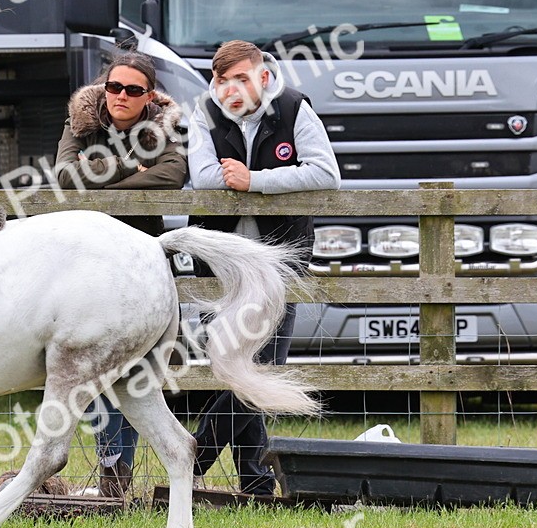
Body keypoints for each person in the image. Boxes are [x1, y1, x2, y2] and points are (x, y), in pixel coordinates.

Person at [186, 40, 341, 495]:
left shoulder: (294, 109)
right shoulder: (204, 114)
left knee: (263, 368)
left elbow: (326, 173)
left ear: (264, 77)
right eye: (221, 81)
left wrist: (256, 180)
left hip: (280, 262)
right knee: (235, 368)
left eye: (240, 78)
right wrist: (254, 181)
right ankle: (255, 483)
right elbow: (206, 179)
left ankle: (193, 458)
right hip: (222, 264)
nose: (230, 89)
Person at [53, 50, 188, 498]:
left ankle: (117, 474)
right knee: (85, 367)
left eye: (133, 90)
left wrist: (104, 180)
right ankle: (99, 469)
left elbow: (172, 174)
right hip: (86, 262)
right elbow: (64, 176)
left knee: (131, 371)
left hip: (140, 263)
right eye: (114, 87)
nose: (121, 97)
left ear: (149, 96)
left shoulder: (166, 126)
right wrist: (133, 168)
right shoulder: (81, 121)